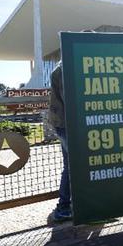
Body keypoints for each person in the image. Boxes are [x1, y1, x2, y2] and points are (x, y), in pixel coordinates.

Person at [48, 60, 72, 222]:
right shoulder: (65, 68)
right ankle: (63, 207)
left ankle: (66, 206)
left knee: (71, 164)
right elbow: (69, 98)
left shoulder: (62, 66)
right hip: (66, 123)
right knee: (73, 165)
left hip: (63, 121)